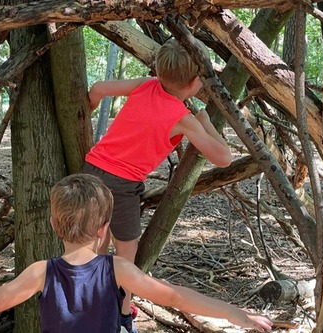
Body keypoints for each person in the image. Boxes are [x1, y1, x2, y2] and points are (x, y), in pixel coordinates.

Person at [0, 174, 272, 333]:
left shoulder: (41, 272)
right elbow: (174, 296)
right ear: (105, 230)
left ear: (54, 226)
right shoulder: (118, 270)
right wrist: (237, 313)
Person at [83, 38, 233, 332]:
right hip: (122, 184)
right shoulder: (184, 118)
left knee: (95, 247)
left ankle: (92, 305)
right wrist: (204, 120)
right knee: (126, 253)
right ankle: (122, 315)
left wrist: (85, 113)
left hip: (92, 169)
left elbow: (99, 88)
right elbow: (224, 157)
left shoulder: (146, 85)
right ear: (194, 83)